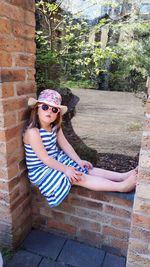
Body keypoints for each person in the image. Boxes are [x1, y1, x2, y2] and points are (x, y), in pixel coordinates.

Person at [23, 89, 137, 208]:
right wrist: (66, 170)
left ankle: (122, 176)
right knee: (78, 176)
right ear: (36, 109)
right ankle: (121, 187)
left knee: (86, 168)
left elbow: (66, 145)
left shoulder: (54, 126)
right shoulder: (33, 132)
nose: (50, 111)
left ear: (57, 114)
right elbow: (45, 159)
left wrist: (78, 161)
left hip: (55, 161)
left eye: (54, 109)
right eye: (45, 107)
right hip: (41, 170)